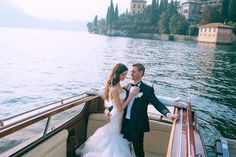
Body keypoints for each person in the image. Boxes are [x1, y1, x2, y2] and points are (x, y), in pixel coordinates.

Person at [105, 63, 177, 157]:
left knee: (139, 151)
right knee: (123, 151)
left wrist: (168, 114)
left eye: (133, 72)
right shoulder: (127, 87)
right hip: (123, 124)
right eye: (131, 72)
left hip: (137, 126)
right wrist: (107, 110)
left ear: (141, 73)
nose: (131, 74)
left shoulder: (147, 90)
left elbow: (157, 103)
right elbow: (117, 103)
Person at [81, 63, 139, 157]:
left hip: (118, 117)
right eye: (123, 74)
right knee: (114, 139)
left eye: (125, 74)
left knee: (115, 137)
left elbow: (119, 94)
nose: (125, 76)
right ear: (117, 74)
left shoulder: (119, 85)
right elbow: (120, 108)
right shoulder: (113, 89)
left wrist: (125, 86)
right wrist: (131, 96)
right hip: (116, 116)